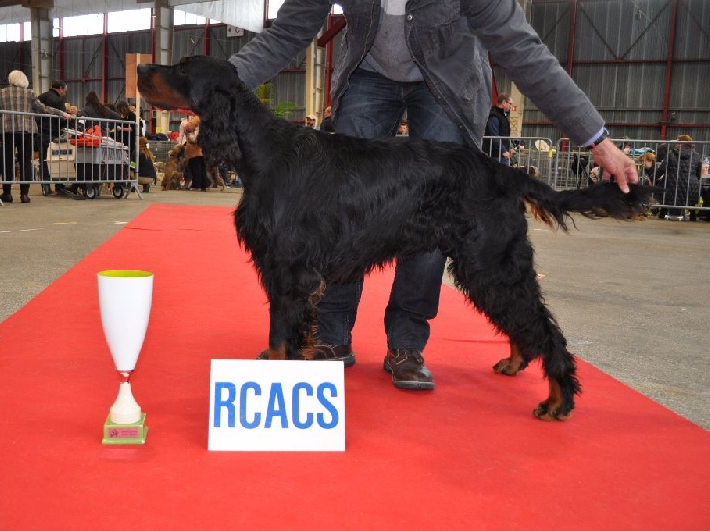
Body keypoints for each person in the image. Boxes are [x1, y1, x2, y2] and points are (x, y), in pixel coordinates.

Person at [229, 0, 637, 390]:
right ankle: (331, 336)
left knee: (435, 216)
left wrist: (595, 137)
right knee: (338, 215)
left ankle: (406, 344)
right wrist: (216, 83)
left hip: (446, 79)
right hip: (366, 75)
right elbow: (287, 31)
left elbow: (520, 47)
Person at [0, 70, 72, 204]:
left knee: (7, 161)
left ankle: (7, 193)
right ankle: (24, 194)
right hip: (27, 131)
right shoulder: (30, 93)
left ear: (10, 79)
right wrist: (62, 113)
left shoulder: (0, 93)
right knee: (25, 162)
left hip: (7, 131)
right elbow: (43, 109)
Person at [655, 134, 701, 220]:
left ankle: (662, 213)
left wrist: (653, 178)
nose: (676, 143)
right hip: (690, 185)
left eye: (678, 141)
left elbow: (662, 169)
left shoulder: (671, 154)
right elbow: (698, 174)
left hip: (671, 184)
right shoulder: (697, 156)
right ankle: (692, 216)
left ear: (682, 143)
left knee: (664, 189)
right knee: (692, 194)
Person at [37, 80, 68, 195]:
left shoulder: (40, 97)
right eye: (64, 90)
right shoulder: (59, 100)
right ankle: (59, 185)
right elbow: (62, 118)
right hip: (54, 133)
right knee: (57, 159)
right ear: (60, 88)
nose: (65, 93)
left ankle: (45, 186)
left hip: (40, 132)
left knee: (43, 159)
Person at [482, 92, 513, 166]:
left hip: (502, 154)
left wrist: (509, 148)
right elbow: (495, 135)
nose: (511, 106)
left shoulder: (503, 117)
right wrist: (503, 151)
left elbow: (504, 135)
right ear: (504, 102)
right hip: (496, 155)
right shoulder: (494, 116)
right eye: (510, 104)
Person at [183, 114, 208, 191]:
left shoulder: (197, 117)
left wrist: (188, 123)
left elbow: (188, 127)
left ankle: (196, 185)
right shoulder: (206, 117)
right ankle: (204, 185)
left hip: (195, 149)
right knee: (202, 168)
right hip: (203, 148)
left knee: (195, 168)